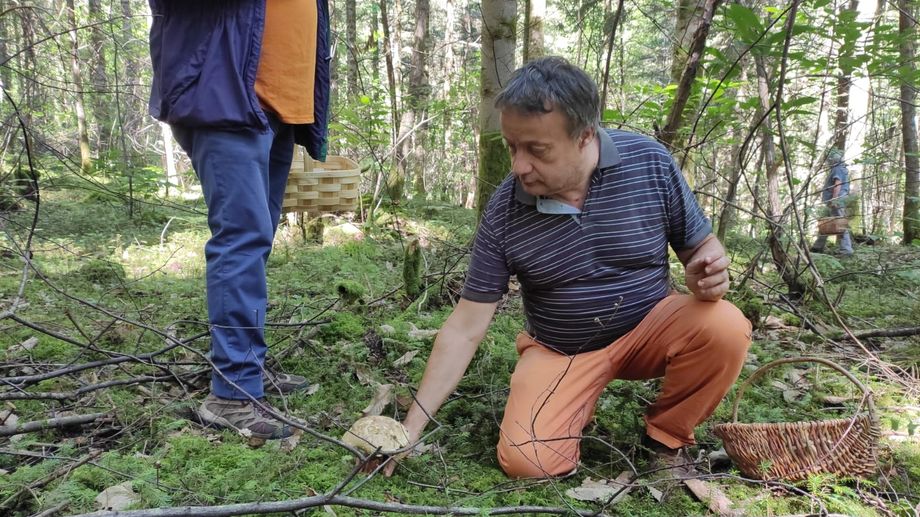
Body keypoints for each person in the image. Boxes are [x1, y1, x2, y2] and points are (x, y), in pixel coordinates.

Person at [387, 57, 751, 479]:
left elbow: (702, 248)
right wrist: (409, 428)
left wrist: (709, 274)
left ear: (584, 135)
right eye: (512, 146)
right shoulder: (506, 209)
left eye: (536, 150)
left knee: (724, 325)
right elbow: (465, 326)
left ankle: (666, 438)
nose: (519, 165)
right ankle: (573, 404)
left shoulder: (650, 163)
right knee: (529, 461)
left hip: (651, 327)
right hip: (563, 350)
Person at [147, 0, 331, 440]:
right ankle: (230, 393)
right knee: (242, 240)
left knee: (255, 240)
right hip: (223, 94)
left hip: (278, 102)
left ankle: (246, 371)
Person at [810, 149, 853, 256]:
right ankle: (818, 246)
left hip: (835, 201)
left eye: (830, 159)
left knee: (840, 224)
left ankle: (846, 250)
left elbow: (837, 184)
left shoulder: (837, 169)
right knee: (825, 223)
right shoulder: (841, 169)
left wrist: (834, 199)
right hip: (833, 201)